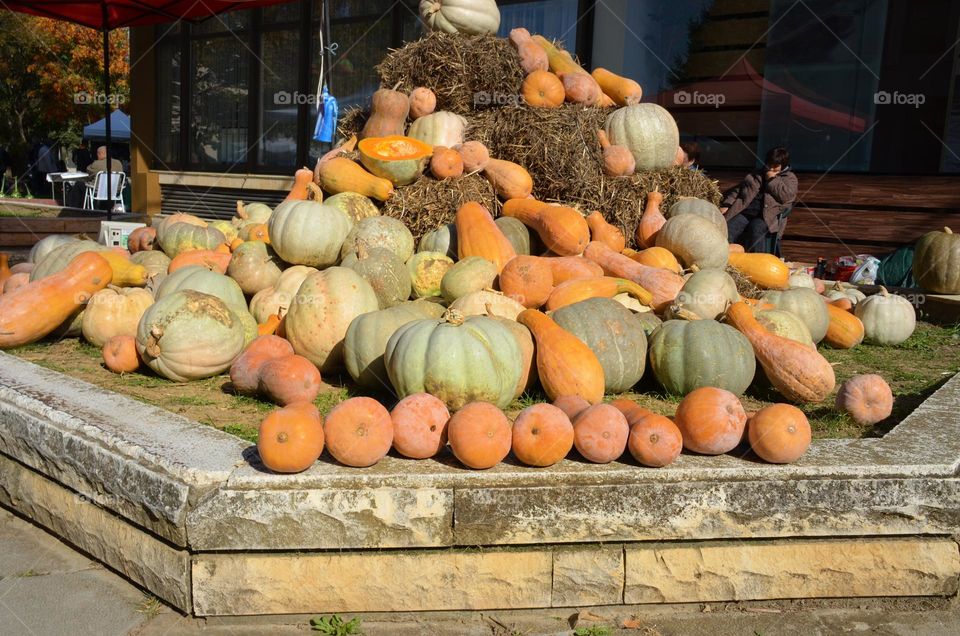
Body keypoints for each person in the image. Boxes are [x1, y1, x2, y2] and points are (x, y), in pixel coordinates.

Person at [721, 147, 797, 254]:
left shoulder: (789, 178)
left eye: (775, 166)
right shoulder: (755, 175)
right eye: (769, 164)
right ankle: (726, 259)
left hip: (766, 216)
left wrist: (772, 180)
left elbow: (787, 196)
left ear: (783, 166)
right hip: (746, 212)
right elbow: (738, 190)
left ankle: (757, 261)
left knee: (756, 228)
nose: (770, 168)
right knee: (730, 227)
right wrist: (727, 204)